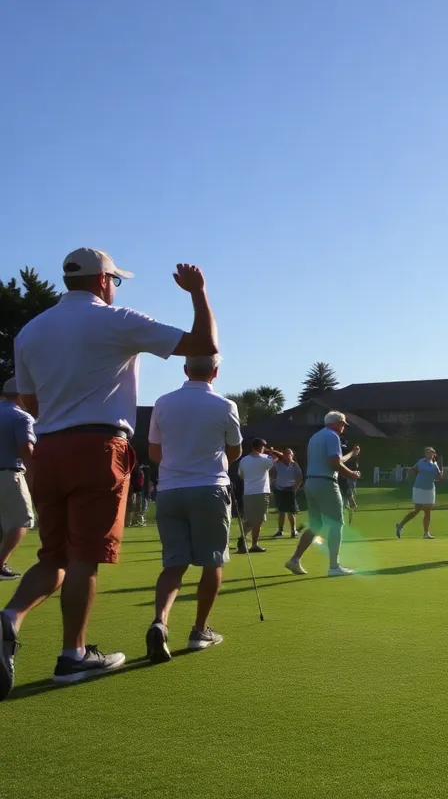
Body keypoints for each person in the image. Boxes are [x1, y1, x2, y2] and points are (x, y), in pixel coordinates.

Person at [1, 252, 216, 699]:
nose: (116, 286)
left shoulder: (30, 331)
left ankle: (9, 617)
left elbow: (29, 400)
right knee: (83, 558)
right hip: (97, 448)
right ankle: (72, 655)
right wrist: (198, 294)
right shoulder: (115, 319)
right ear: (103, 280)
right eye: (115, 279)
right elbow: (203, 347)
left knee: (52, 558)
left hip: (50, 448)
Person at [144, 355, 242, 663]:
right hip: (209, 489)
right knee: (212, 562)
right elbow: (235, 450)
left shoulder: (162, 402)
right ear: (216, 371)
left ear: (186, 369)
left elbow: (154, 451)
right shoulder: (226, 406)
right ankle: (199, 631)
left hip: (170, 491)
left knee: (173, 565)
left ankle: (160, 621)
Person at [285, 413, 360, 576]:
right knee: (336, 523)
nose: (343, 427)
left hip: (311, 483)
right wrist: (351, 474)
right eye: (343, 424)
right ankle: (334, 567)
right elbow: (334, 464)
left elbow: (336, 460)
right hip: (326, 483)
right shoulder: (333, 436)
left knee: (316, 525)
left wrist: (351, 455)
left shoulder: (316, 437)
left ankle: (295, 559)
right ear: (336, 423)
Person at [0, 378, 36, 581]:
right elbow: (26, 450)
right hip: (7, 473)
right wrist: (35, 478)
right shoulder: (22, 417)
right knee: (22, 521)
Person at [235, 439, 283, 554]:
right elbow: (281, 457)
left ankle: (245, 538)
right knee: (259, 519)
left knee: (251, 518)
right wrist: (271, 451)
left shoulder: (244, 460)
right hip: (262, 492)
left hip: (248, 493)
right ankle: (252, 543)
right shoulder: (265, 459)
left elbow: (241, 475)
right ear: (262, 447)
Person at [396, 447, 443, 539]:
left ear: (433, 454)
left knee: (428, 512)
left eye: (431, 452)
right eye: (427, 452)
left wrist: (441, 472)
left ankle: (426, 533)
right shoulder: (421, 462)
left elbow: (438, 478)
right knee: (417, 510)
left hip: (430, 489)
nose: (428, 454)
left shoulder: (435, 465)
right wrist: (410, 475)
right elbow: (413, 470)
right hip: (419, 488)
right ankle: (400, 525)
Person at [271, 449, 303, 538]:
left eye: (290, 454)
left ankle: (293, 530)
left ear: (292, 455)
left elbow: (299, 478)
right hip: (280, 489)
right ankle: (280, 530)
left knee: (291, 512)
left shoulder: (295, 465)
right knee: (281, 511)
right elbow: (272, 474)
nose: (288, 456)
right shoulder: (278, 464)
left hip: (290, 490)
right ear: (283, 455)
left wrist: (296, 488)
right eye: (286, 454)